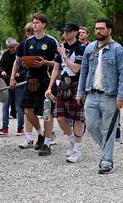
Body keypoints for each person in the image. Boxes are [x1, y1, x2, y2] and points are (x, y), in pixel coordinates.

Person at [76, 18, 123, 174]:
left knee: (109, 130)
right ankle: (106, 151)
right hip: (92, 94)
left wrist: (121, 96)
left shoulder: (118, 50)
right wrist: (80, 92)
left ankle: (107, 162)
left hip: (110, 95)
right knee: (90, 126)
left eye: (102, 28)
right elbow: (83, 71)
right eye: (96, 28)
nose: (98, 31)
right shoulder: (89, 48)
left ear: (109, 30)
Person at [10, 13, 58, 156]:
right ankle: (41, 133)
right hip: (31, 79)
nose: (34, 24)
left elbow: (58, 63)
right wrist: (13, 77)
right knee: (27, 110)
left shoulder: (51, 41)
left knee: (47, 111)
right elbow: (18, 61)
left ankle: (48, 143)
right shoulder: (27, 42)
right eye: (33, 22)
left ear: (44, 24)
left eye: (37, 22)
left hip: (46, 80)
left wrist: (44, 62)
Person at [45, 23, 86, 163]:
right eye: (64, 31)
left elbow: (76, 69)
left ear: (75, 32)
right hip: (63, 84)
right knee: (60, 117)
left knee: (76, 118)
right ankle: (72, 141)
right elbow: (56, 69)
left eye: (69, 31)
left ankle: (77, 149)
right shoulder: (61, 47)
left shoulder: (81, 48)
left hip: (77, 83)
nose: (66, 34)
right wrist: (50, 87)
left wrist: (64, 56)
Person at [0, 37, 25, 135]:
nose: (11, 49)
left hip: (18, 84)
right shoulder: (5, 54)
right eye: (9, 47)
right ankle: (4, 128)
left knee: (19, 107)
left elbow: (26, 69)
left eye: (12, 47)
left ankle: (20, 128)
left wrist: (19, 74)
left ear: (16, 45)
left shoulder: (21, 54)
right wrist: (2, 71)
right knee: (5, 106)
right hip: (6, 83)